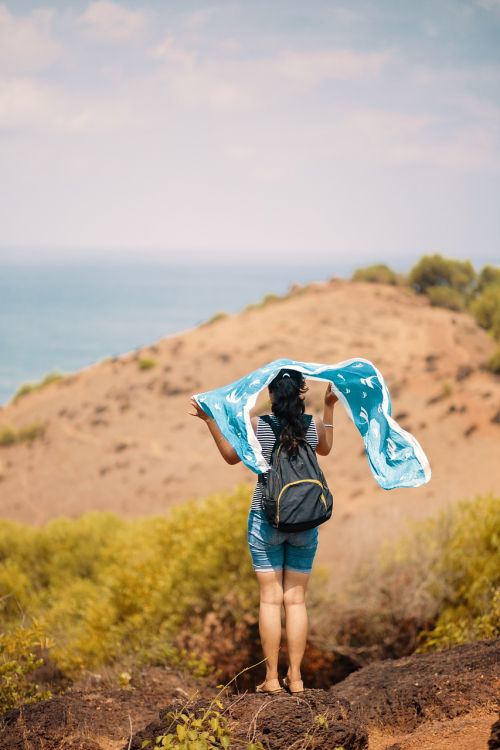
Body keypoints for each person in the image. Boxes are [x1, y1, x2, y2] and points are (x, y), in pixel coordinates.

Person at [188, 368, 337, 694]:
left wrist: (209, 420)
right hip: (306, 521)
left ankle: (271, 679)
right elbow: (324, 449)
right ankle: (296, 678)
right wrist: (329, 407)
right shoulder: (310, 425)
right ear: (301, 390)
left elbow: (229, 456)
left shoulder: (260, 426)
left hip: (266, 517)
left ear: (270, 393)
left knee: (270, 600)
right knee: (295, 600)